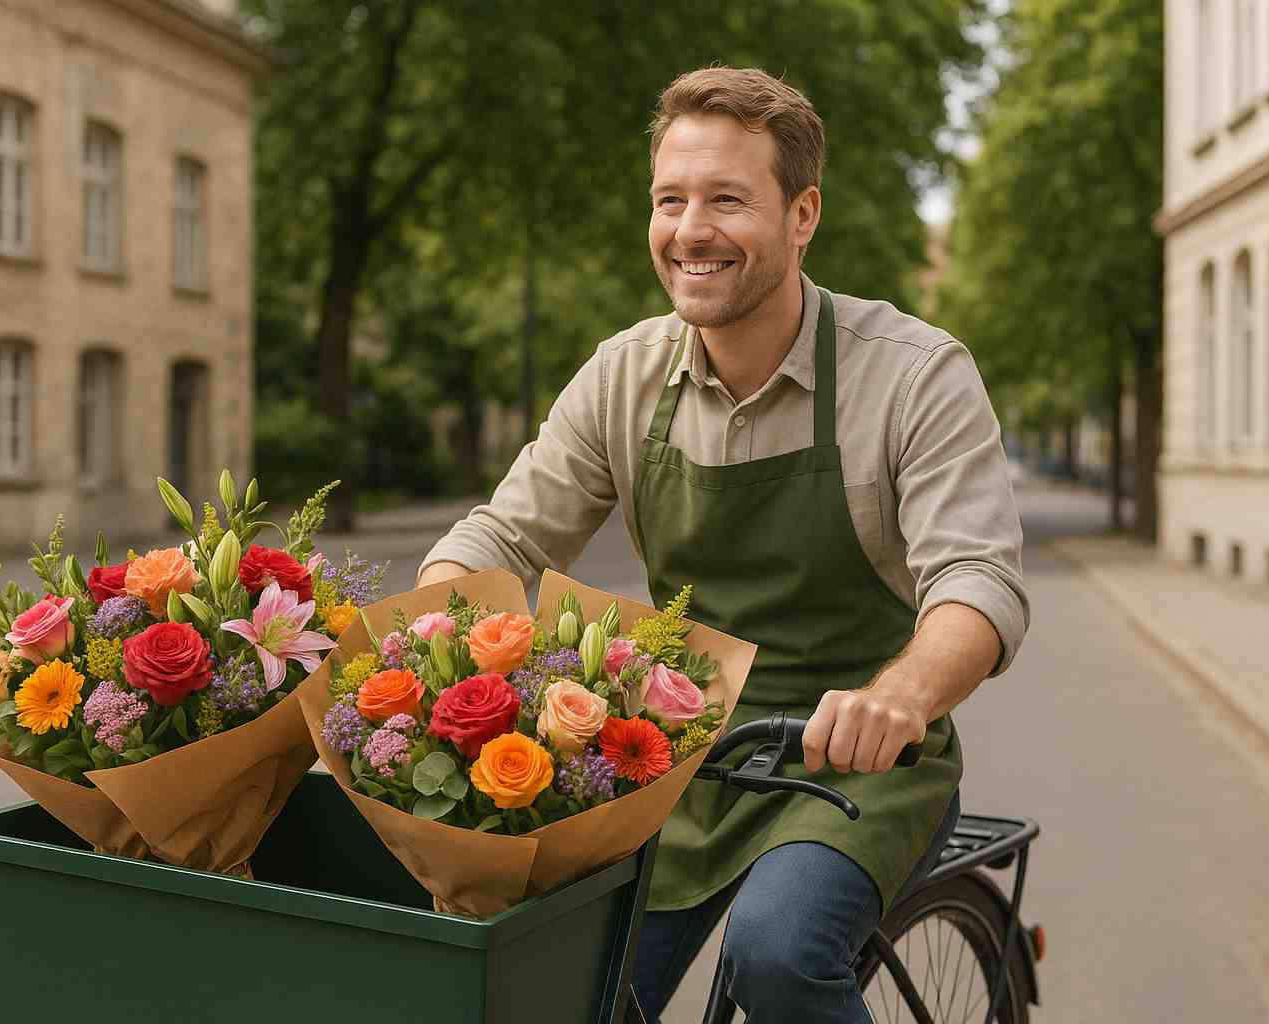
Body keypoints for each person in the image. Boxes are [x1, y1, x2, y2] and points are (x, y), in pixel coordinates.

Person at [417, 66, 1029, 1023]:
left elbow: (977, 579)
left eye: (728, 200)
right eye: (671, 200)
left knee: (777, 953)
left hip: (856, 769)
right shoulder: (623, 375)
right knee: (553, 977)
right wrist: (432, 635)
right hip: (670, 759)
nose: (690, 229)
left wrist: (898, 698)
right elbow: (502, 536)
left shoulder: (912, 375)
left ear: (802, 215)